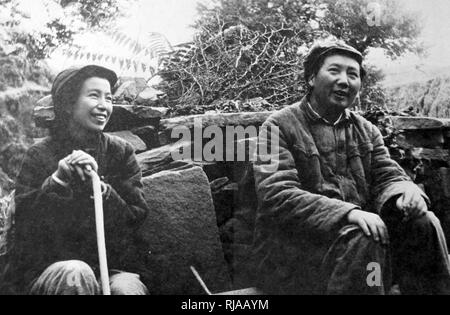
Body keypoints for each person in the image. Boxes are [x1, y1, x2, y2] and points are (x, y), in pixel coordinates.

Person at [252, 39, 450, 295]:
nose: (344, 81)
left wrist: (405, 193)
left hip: (354, 247)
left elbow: (388, 176)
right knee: (365, 236)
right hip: (291, 255)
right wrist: (348, 213)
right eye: (334, 71)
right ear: (312, 78)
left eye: (353, 74)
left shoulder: (367, 130)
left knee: (425, 222)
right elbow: (275, 193)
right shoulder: (277, 127)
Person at [2, 65, 150, 295]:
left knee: (127, 288)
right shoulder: (39, 155)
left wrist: (102, 191)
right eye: (94, 95)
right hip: (50, 271)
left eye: (109, 98)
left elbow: (134, 218)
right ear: (68, 104)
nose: (104, 105)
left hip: (111, 269)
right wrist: (57, 181)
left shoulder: (121, 153)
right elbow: (25, 226)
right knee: (76, 274)